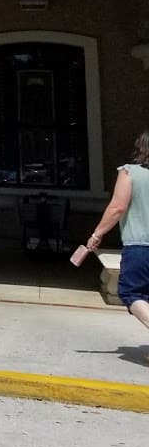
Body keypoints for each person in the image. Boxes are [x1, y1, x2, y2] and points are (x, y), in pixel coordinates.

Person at [79, 131, 149, 333]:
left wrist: (97, 234)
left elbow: (117, 207)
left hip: (141, 246)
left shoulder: (129, 172)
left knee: (131, 292)